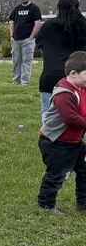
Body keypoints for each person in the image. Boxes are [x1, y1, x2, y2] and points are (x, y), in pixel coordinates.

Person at [36, 51, 86, 213]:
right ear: (73, 73)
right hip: (56, 143)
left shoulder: (81, 88)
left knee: (84, 169)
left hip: (75, 142)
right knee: (57, 174)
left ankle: (83, 202)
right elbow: (70, 118)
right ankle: (46, 204)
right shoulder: (64, 93)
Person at [35, 0, 86, 122]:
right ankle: (72, 138)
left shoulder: (49, 26)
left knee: (47, 110)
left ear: (59, 9)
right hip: (77, 77)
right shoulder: (84, 26)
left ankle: (50, 138)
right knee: (77, 112)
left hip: (50, 76)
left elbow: (38, 43)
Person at [8, 0, 43, 86]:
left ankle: (25, 82)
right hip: (16, 40)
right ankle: (16, 82)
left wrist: (31, 37)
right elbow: (11, 22)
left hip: (27, 40)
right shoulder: (17, 9)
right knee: (16, 61)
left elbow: (37, 23)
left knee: (26, 62)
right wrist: (11, 36)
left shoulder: (34, 8)